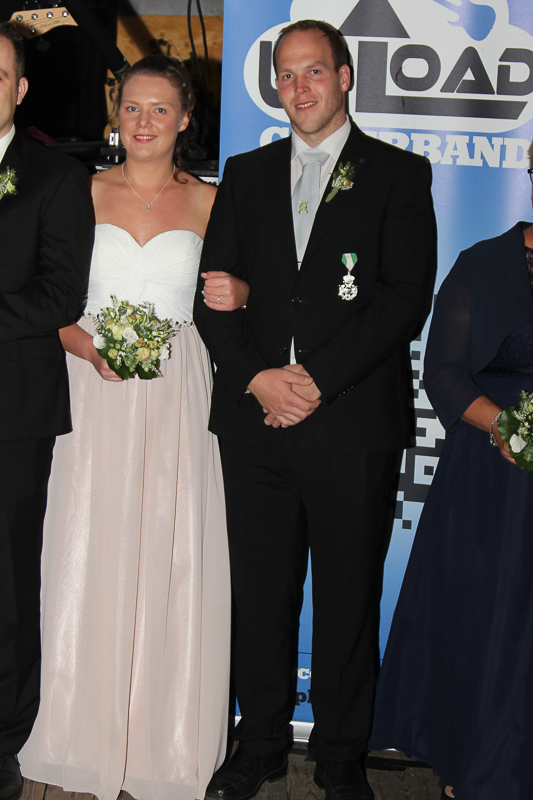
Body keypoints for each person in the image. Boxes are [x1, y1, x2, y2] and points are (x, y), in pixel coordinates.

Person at [193, 19, 436, 800]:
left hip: (351, 424)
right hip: (254, 425)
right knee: (260, 596)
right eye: (285, 74)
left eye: (313, 71)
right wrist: (259, 380)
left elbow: (402, 297)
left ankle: (338, 757)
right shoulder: (245, 173)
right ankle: (259, 744)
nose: (298, 87)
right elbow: (212, 296)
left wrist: (314, 382)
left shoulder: (398, 174)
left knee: (346, 600)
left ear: (344, 76)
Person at [19, 55, 248, 800]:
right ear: (115, 116)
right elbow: (49, 297)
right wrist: (87, 347)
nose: (143, 121)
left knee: (172, 549)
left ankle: (162, 739)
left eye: (160, 109)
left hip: (178, 388)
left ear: (186, 119)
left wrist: (242, 293)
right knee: (86, 543)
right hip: (92, 386)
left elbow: (251, 296)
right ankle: (81, 730)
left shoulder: (214, 201)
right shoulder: (78, 190)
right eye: (131, 107)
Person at [370, 186, 533, 797]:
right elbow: (442, 370)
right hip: (494, 474)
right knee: (488, 624)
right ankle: (479, 767)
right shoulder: (484, 262)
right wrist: (506, 427)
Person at [0, 22, 94, 800]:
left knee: (4, 583)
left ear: (20, 89)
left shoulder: (55, 176)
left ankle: (4, 737)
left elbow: (61, 294)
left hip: (12, 410)